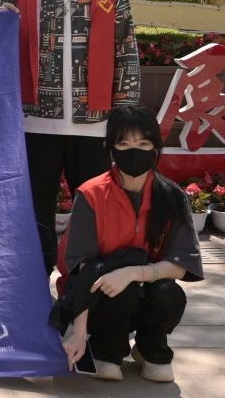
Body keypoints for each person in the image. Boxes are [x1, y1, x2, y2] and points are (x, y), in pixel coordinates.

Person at [0, 0, 141, 276]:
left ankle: (86, 284)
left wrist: (125, 120)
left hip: (94, 124)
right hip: (34, 122)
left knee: (94, 209)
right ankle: (35, 286)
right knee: (35, 210)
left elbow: (126, 56)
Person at [54, 105, 202, 382]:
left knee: (169, 293)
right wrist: (79, 331)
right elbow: (81, 270)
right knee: (119, 293)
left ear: (156, 148)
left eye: (143, 144)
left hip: (148, 293)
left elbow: (182, 262)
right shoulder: (90, 194)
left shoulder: (173, 196)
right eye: (123, 144)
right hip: (97, 298)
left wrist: (135, 273)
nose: (134, 151)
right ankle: (106, 350)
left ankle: (151, 348)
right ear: (111, 149)